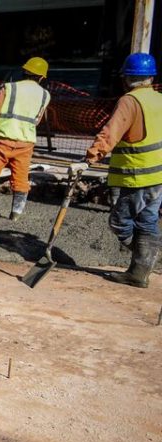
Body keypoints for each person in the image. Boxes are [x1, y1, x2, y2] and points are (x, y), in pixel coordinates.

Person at [84, 53, 161, 288]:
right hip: (158, 176)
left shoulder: (130, 101)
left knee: (119, 222)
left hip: (138, 176)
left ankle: (146, 259)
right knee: (148, 222)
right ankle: (139, 272)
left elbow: (111, 132)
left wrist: (89, 158)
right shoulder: (158, 99)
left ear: (127, 78)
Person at [0, 57, 52, 220]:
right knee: (21, 178)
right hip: (25, 143)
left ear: (24, 72)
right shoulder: (45, 95)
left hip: (1, 140)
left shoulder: (9, 88)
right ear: (42, 77)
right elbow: (37, 119)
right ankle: (16, 213)